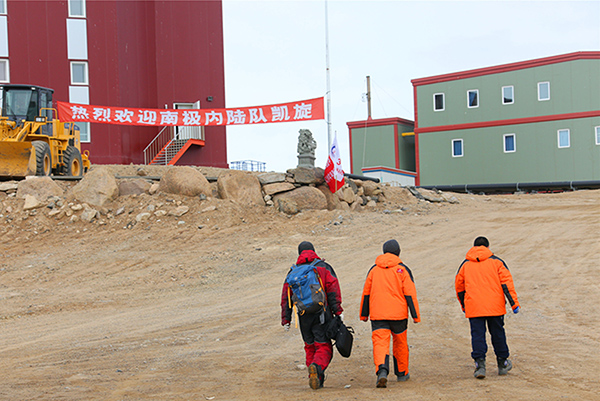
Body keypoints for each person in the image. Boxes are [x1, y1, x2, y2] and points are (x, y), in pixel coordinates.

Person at [455, 236, 520, 379]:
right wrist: (514, 304)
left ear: (474, 247)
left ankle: (480, 365)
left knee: (477, 335)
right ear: (488, 248)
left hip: (474, 307)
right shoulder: (497, 262)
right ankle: (502, 363)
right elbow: (507, 284)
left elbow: (459, 288)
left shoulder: (465, 265)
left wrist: (464, 306)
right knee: (498, 333)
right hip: (495, 306)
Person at [281, 241, 343, 390]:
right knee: (324, 346)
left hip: (303, 316)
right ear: (314, 251)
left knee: (310, 347)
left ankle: (314, 377)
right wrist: (338, 311)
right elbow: (333, 289)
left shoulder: (293, 271)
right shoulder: (322, 267)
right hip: (322, 314)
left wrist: (286, 319)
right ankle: (317, 367)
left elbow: (286, 297)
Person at [360, 239, 420, 388]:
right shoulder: (403, 270)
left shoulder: (374, 270)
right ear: (398, 252)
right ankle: (402, 373)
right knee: (400, 343)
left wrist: (364, 314)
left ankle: (382, 370)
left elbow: (366, 293)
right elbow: (410, 294)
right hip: (398, 315)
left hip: (378, 314)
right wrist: (415, 315)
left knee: (380, 343)